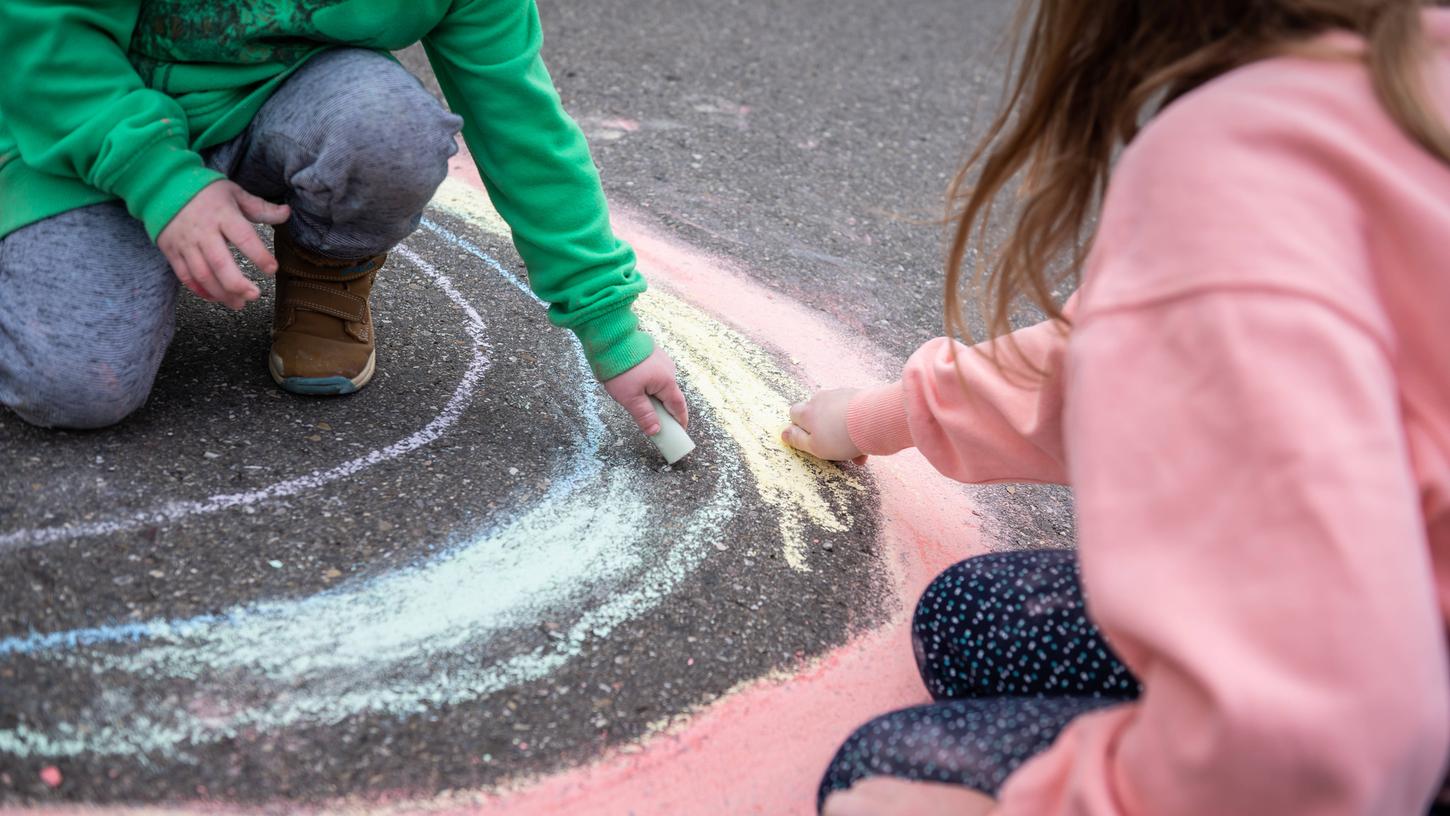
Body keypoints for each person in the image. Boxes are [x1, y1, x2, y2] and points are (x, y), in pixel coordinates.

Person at [784, 1, 1450, 813]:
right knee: (971, 617)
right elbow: (1142, 358)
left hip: (1384, 737)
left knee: (880, 772)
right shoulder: (1415, 68)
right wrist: (887, 414)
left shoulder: (1237, 173)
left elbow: (1332, 742)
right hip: (1414, 630)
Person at [0, 1, 687, 438]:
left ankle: (326, 267)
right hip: (80, 118)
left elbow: (521, 127)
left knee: (387, 132)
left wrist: (610, 328)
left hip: (278, 102)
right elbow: (43, 36)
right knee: (76, 387)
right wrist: (163, 181)